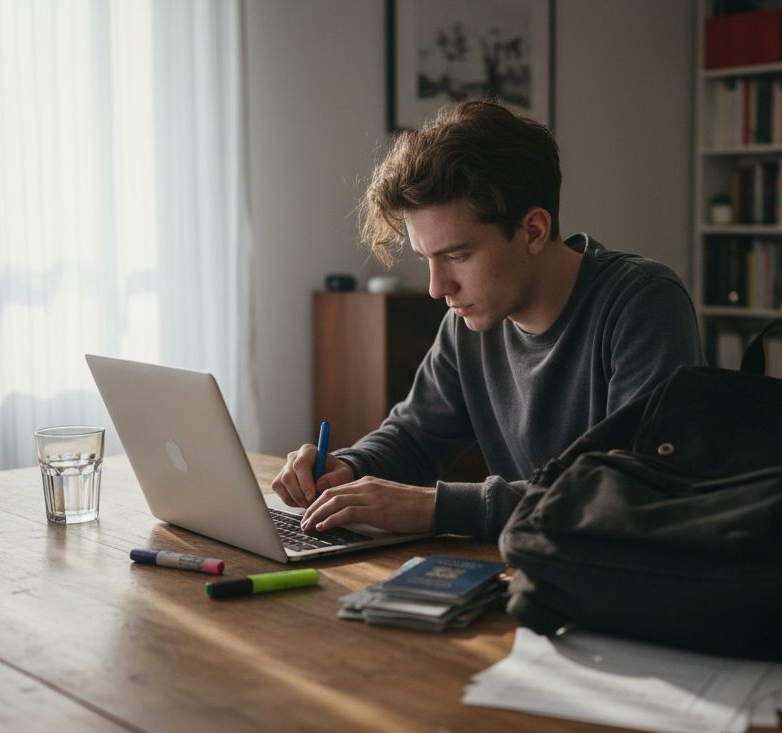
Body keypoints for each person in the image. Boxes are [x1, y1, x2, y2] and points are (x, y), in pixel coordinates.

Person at [271, 99, 701, 541]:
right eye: (428, 259)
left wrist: (438, 507)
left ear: (533, 230)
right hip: (526, 568)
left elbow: (628, 492)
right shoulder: (469, 322)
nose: (439, 288)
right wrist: (347, 467)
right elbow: (415, 436)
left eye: (457, 256)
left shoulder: (642, 303)